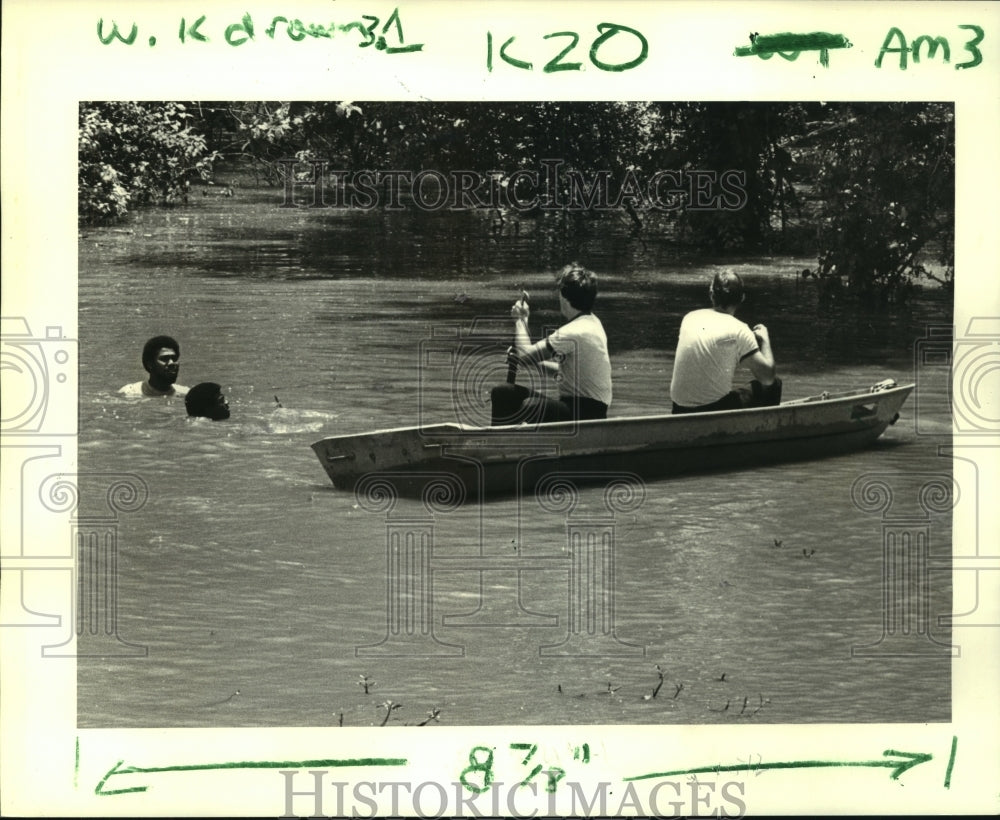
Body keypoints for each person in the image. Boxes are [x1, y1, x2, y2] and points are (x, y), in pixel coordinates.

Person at [490, 262, 612, 425]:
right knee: (503, 392)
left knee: (529, 406)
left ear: (564, 296)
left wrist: (521, 320)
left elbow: (525, 355)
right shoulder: (593, 322)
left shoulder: (574, 331)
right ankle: (500, 440)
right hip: (583, 407)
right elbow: (566, 374)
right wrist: (536, 363)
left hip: (588, 412)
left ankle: (516, 444)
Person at [669, 270, 781, 414]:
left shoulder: (689, 318)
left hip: (679, 409)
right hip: (712, 411)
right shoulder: (739, 329)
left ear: (711, 295)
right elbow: (767, 378)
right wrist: (765, 340)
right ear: (742, 298)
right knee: (774, 384)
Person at [119, 335, 190, 398]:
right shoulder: (129, 393)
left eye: (174, 359)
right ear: (150, 364)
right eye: (164, 359)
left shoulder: (186, 394)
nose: (172, 363)